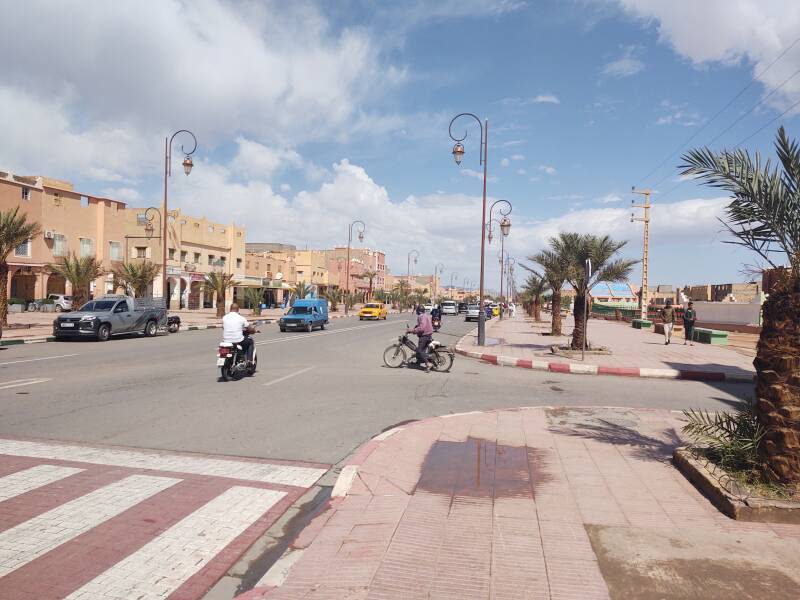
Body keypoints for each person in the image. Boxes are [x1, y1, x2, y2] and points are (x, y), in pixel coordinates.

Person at [408, 304, 434, 372]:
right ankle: (418, 361)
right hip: (428, 334)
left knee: (420, 350)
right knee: (422, 349)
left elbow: (422, 328)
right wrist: (416, 327)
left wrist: (412, 330)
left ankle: (428, 363)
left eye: (417, 310)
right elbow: (421, 325)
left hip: (425, 335)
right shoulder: (426, 315)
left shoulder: (421, 316)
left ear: (419, 311)